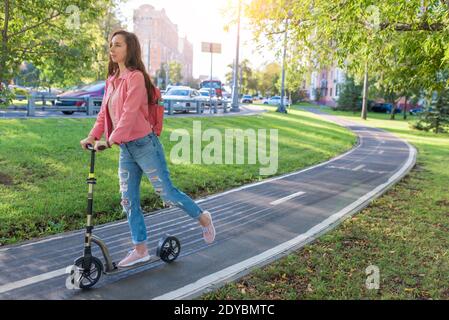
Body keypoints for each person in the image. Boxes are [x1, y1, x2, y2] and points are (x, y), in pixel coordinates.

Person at [80, 30, 215, 268]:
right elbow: (104, 114)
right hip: (126, 149)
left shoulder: (135, 78)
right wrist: (92, 136)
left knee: (166, 193)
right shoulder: (112, 80)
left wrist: (109, 141)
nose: (112, 49)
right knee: (128, 200)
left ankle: (204, 218)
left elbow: (130, 114)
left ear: (129, 49)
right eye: (111, 45)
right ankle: (140, 249)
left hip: (145, 145)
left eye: (118, 45)